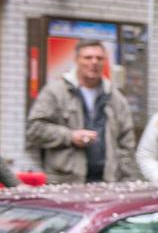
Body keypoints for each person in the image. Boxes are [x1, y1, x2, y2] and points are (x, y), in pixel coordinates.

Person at [25, 40, 139, 183]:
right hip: (65, 183)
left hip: (107, 183)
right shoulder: (55, 92)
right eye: (88, 57)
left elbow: (127, 146)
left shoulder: (116, 98)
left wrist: (129, 181)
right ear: (76, 60)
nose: (94, 62)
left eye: (99, 58)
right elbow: (34, 129)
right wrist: (70, 136)